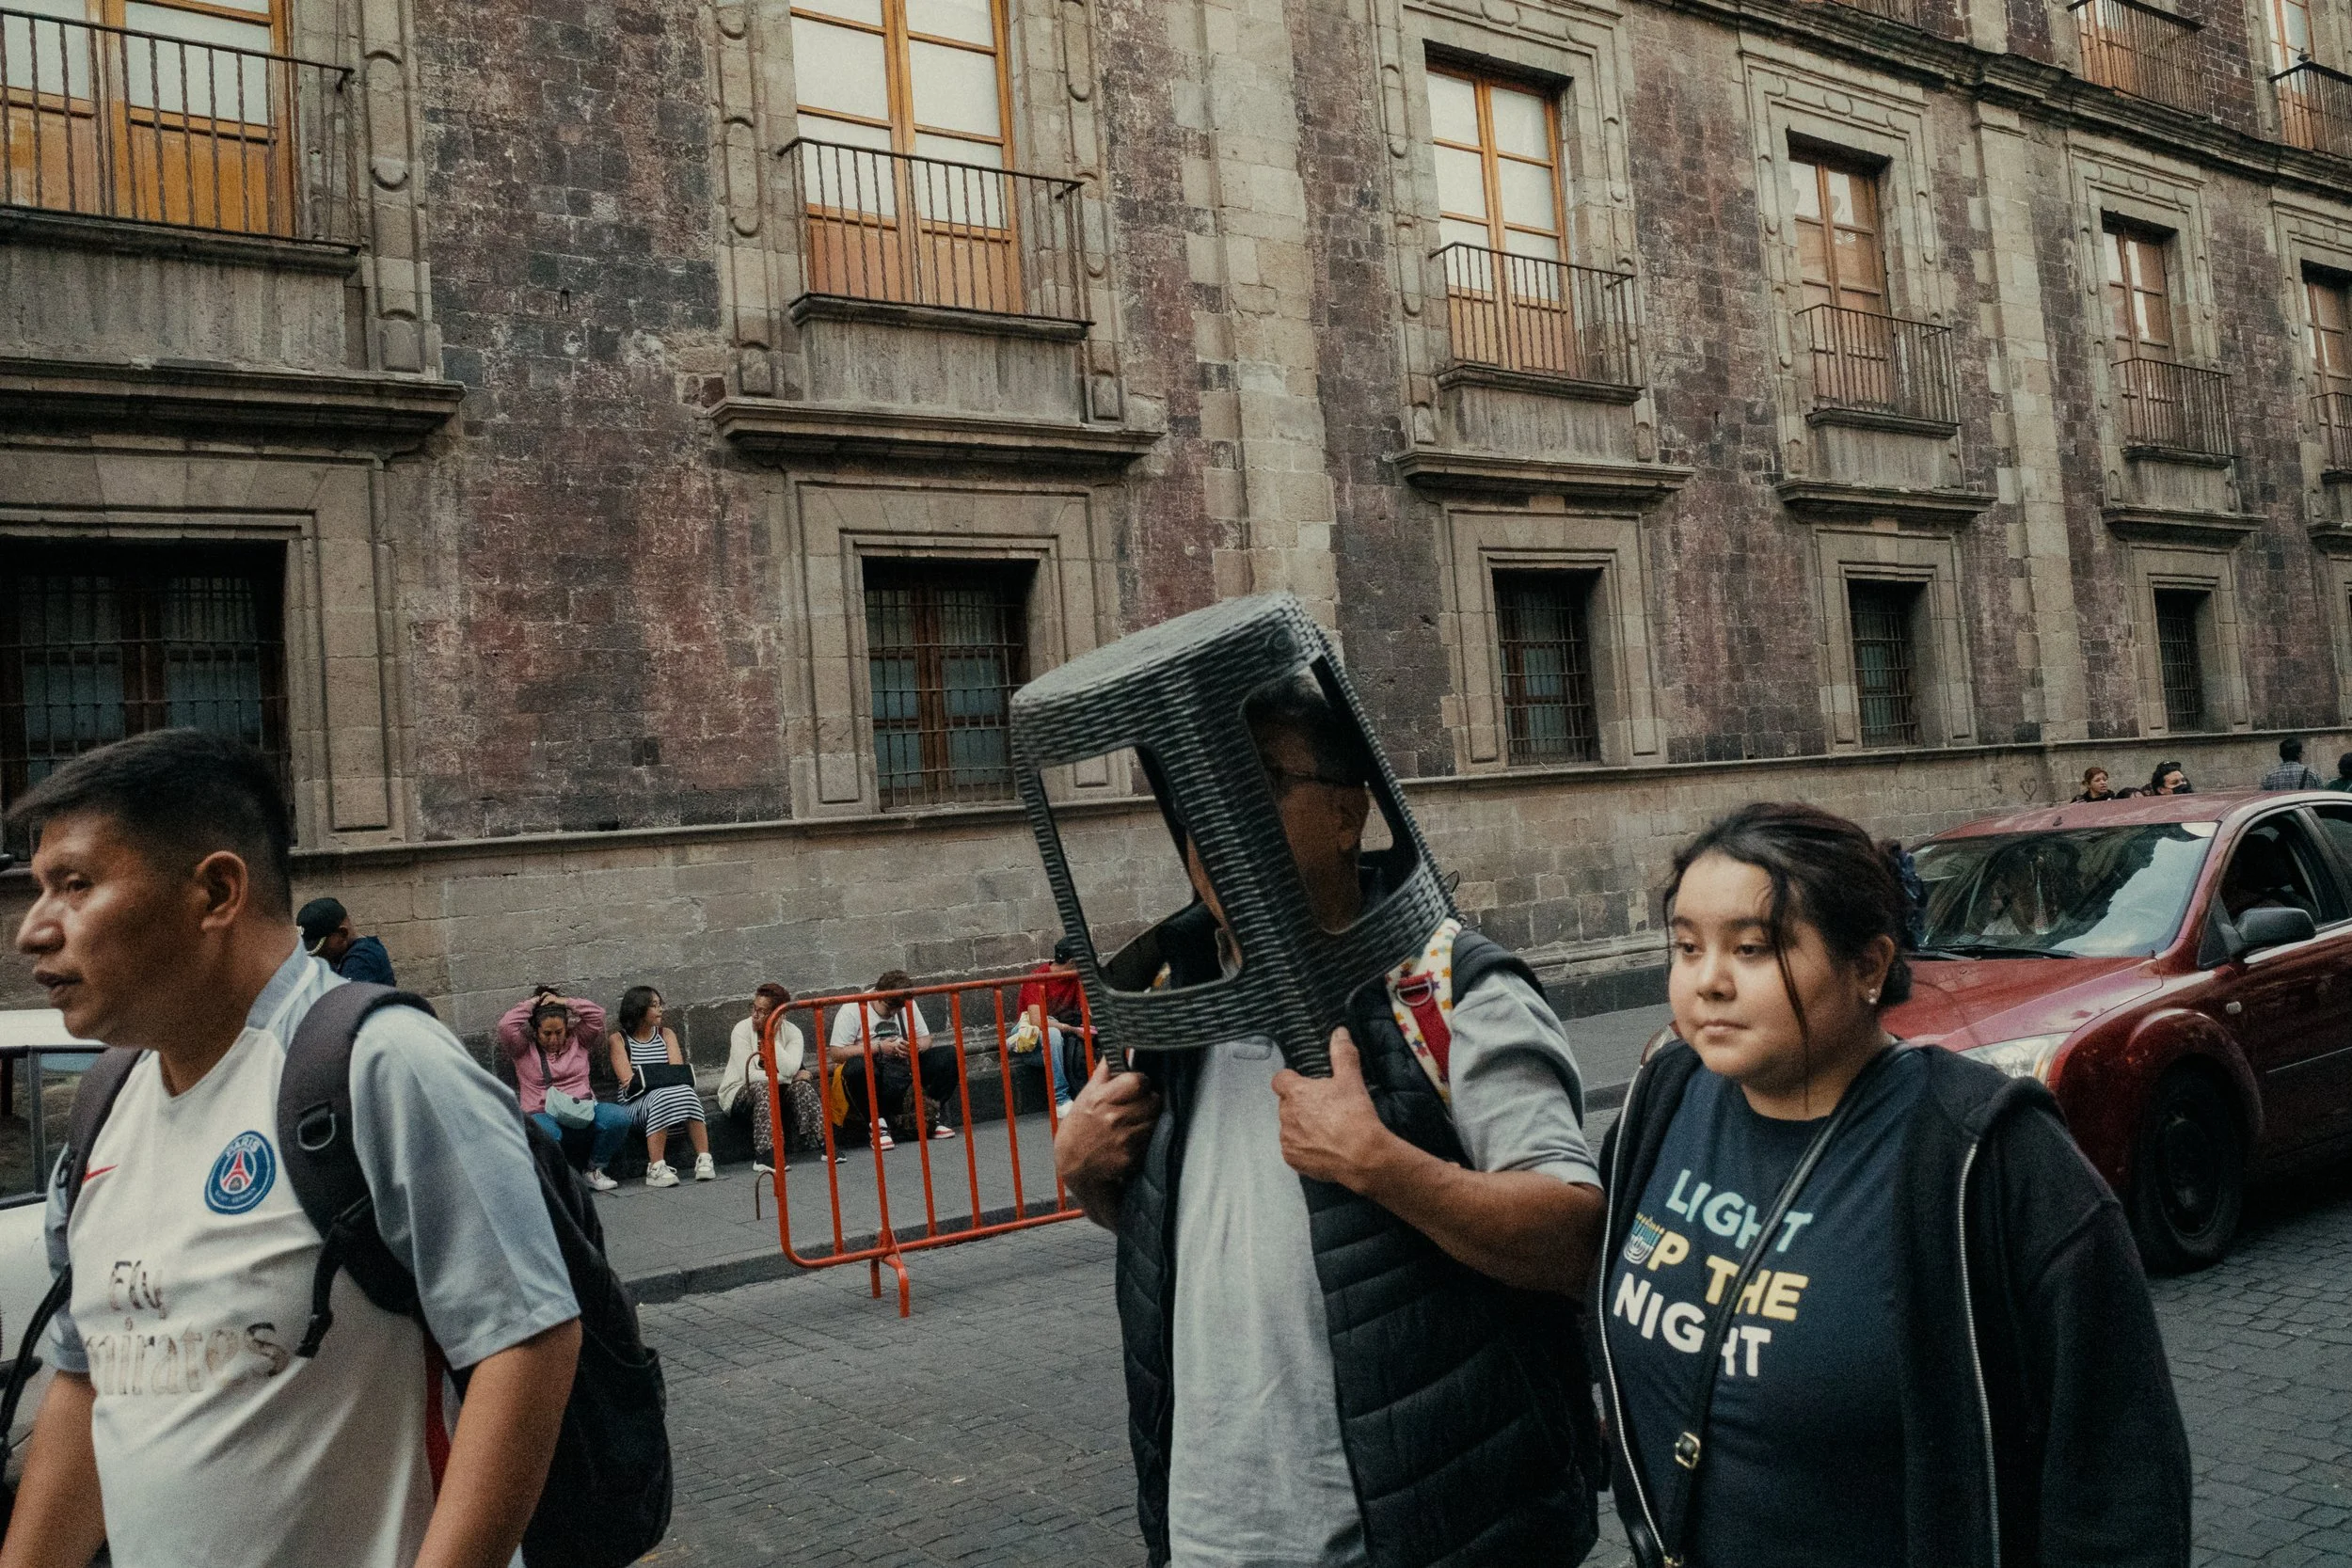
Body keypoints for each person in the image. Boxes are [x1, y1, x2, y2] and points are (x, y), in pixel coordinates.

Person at [1054, 674, 1608, 1568]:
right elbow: (1192, 1238)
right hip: (1207, 1536)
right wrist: (1086, 1174)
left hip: (1421, 1536)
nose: (1218, 819)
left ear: (1349, 811)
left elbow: (1573, 1236)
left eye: (1260, 780)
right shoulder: (1167, 1008)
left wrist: (1386, 1164)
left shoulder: (1454, 992)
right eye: (1196, 795)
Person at [4, 728, 580, 1568]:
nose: (32, 930)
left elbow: (527, 1343)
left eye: (76, 885)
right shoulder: (102, 1104)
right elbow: (88, 1379)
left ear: (215, 891)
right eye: (36, 888)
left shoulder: (381, 1066)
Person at [1597, 802, 2189, 1568]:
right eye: (1685, 947)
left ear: (1869, 966)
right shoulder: (1663, 1097)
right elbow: (1606, 1285)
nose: (1706, 981)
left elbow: (2118, 1477)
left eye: (1751, 948)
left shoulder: (1988, 1152)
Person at [499, 987, 633, 1192]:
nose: (553, 1039)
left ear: (567, 1028)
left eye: (559, 1033)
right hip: (542, 1112)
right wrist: (534, 1002)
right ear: (536, 1030)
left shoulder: (579, 1041)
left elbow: (598, 1015)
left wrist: (564, 1002)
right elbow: (506, 1026)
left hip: (583, 1108)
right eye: (547, 1033)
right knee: (546, 1134)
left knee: (618, 1117)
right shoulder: (523, 1049)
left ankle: (594, 1170)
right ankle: (559, 1179)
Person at [826, 972, 960, 1148]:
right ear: (877, 995)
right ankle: (877, 1124)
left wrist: (915, 1048)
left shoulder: (906, 1004)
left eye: (899, 1008)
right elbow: (836, 1053)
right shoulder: (852, 1009)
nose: (894, 1012)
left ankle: (929, 1116)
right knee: (857, 1067)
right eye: (890, 1008)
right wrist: (879, 1047)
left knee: (949, 1055)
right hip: (874, 1069)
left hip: (903, 1067)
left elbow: (926, 1039)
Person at [609, 985, 712, 1187]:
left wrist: (652, 1078)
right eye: (654, 1006)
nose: (660, 1010)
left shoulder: (666, 1035)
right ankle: (655, 1167)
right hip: (634, 1105)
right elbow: (629, 1082)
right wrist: (657, 1080)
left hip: (665, 1098)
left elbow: (676, 1072)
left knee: (687, 1091)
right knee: (661, 1095)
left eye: (660, 1005)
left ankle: (704, 1158)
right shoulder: (618, 1040)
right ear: (639, 1010)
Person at [719, 982, 818, 1170]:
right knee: (765, 1088)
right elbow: (748, 1075)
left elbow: (789, 1068)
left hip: (779, 1091)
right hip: (740, 1092)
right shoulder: (741, 1029)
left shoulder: (792, 1032)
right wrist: (788, 1078)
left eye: (762, 1012)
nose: (755, 1015)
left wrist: (771, 1037)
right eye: (753, 1008)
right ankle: (765, 1155)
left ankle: (824, 1142)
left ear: (778, 1015)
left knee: (803, 1087)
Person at [1016, 937, 1091, 1112]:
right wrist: (1071, 1029)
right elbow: (1037, 1022)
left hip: (1064, 1037)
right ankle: (1060, 1099)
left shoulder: (1076, 977)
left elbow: (1087, 1011)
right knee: (1053, 1034)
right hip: (1031, 1038)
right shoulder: (1036, 978)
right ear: (1072, 962)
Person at [295, 895, 397, 985]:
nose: (317, 955)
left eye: (321, 947)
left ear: (342, 934)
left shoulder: (363, 958)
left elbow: (343, 1003)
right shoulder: (336, 957)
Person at [2258, 736, 2326, 791]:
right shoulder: (2312, 774)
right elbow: (2322, 798)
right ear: (2299, 755)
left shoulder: (2269, 777)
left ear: (2281, 755)